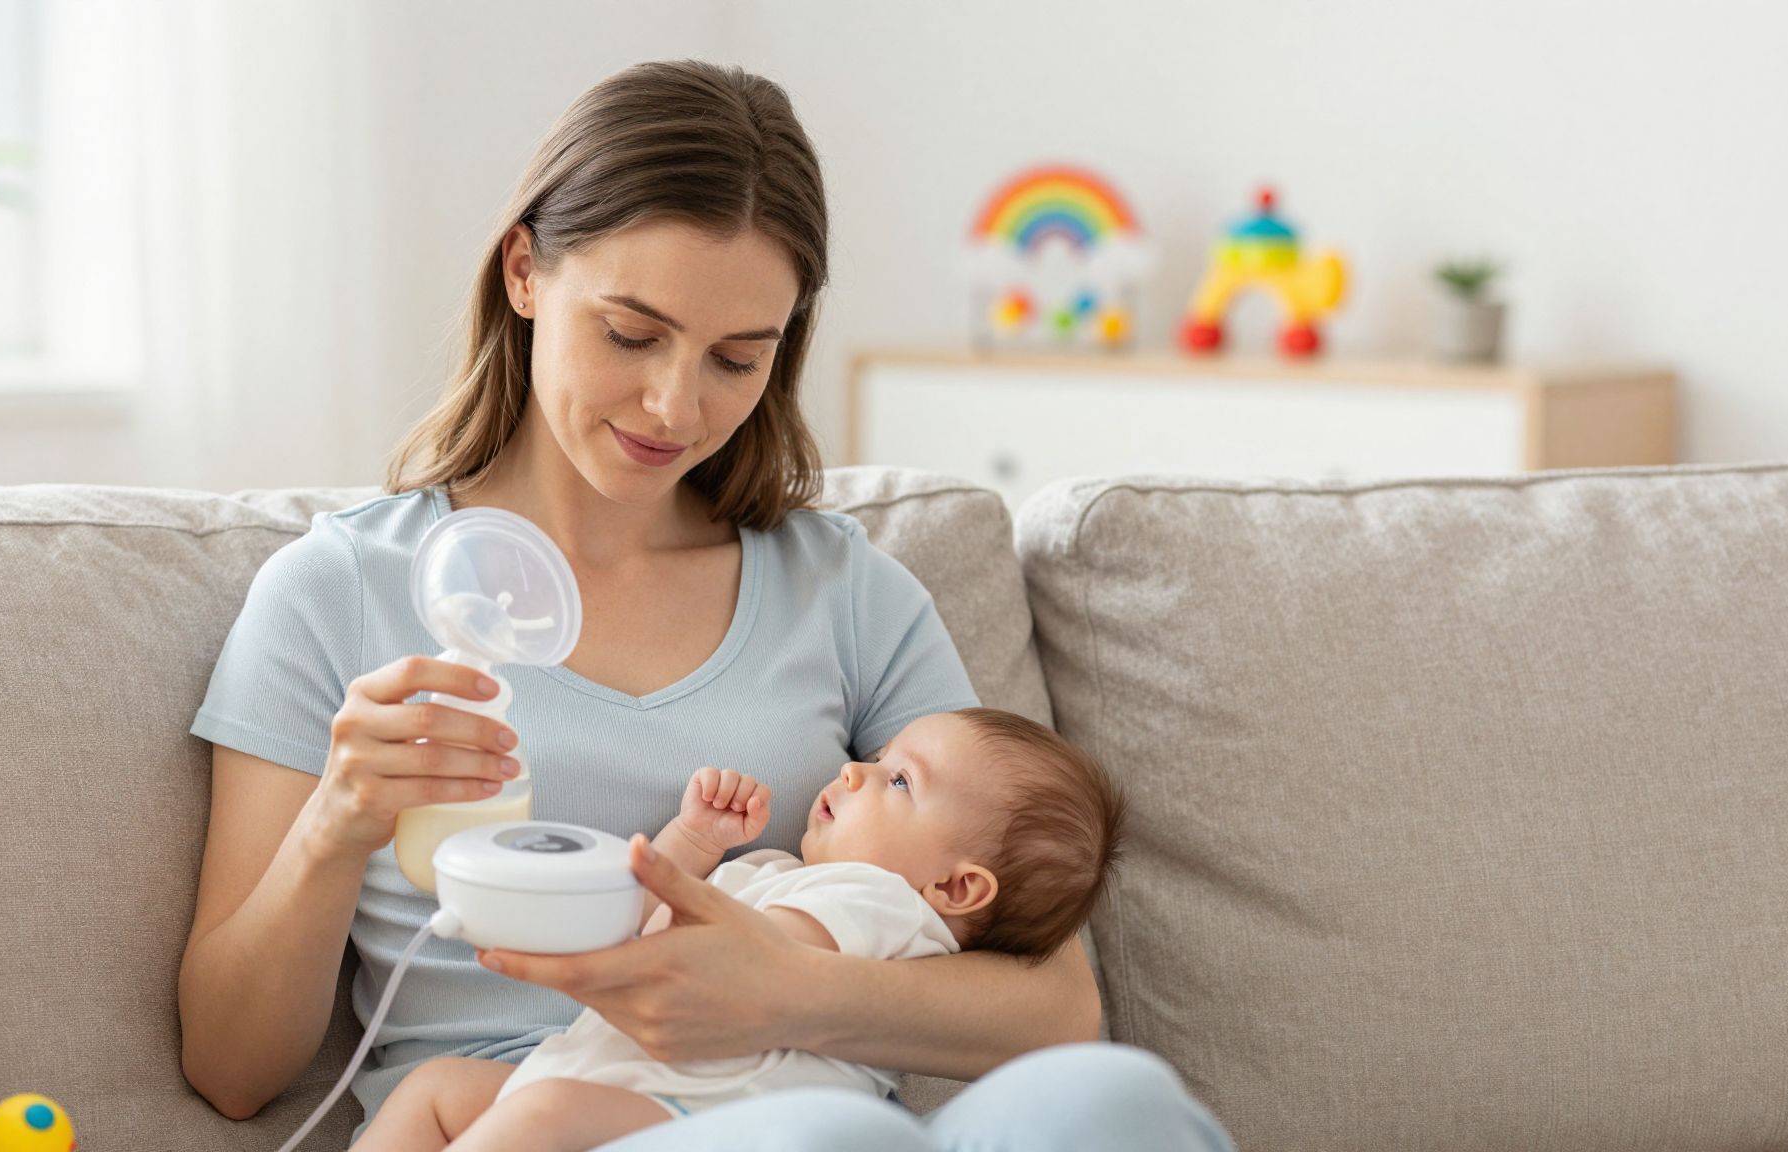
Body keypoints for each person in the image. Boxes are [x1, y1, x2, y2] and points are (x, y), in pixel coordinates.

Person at [176, 58, 1235, 1152]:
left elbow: (1057, 1009)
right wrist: (333, 827)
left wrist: (775, 990)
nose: (674, 407)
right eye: (630, 334)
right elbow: (231, 1068)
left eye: (736, 359)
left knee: (1117, 1103)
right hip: (535, 1117)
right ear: (525, 272)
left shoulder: (847, 594)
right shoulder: (337, 592)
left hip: (802, 1105)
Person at [354, 708, 1124, 1151]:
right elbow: (652, 923)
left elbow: (733, 963)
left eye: (898, 781)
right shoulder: (777, 873)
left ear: (955, 886)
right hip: (615, 1088)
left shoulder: (881, 905)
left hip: (712, 1121)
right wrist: (693, 843)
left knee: (544, 1116)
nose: (855, 769)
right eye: (879, 755)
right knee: (438, 1088)